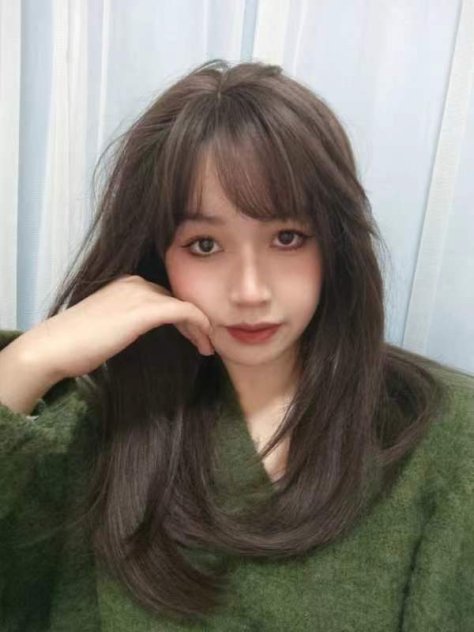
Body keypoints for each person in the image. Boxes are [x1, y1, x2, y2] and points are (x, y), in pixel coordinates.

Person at [0, 58, 473, 632]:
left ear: (336, 245)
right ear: (156, 257)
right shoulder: (99, 424)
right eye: (204, 245)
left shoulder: (448, 439)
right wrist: (29, 360)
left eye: (287, 237)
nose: (250, 291)